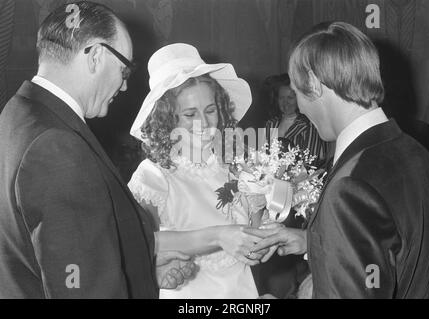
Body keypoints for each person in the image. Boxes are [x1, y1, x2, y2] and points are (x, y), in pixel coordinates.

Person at [0, 1, 195, 298]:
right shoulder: (58, 147)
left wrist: (137, 268)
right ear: (96, 56)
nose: (125, 87)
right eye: (125, 70)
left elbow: (46, 256)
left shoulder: (15, 116)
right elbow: (79, 286)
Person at [247, 21, 429, 298]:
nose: (300, 107)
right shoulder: (417, 153)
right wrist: (314, 241)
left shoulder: (350, 187)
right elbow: (394, 250)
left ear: (314, 83)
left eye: (296, 91)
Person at [128, 43, 269, 299]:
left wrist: (261, 238)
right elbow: (136, 245)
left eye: (210, 110)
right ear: (167, 118)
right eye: (190, 114)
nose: (204, 124)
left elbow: (255, 236)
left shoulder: (235, 163)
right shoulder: (154, 176)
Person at [265, 73, 331, 168]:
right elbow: (262, 157)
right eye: (281, 98)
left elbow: (310, 163)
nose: (285, 103)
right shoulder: (270, 124)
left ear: (299, 99)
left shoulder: (310, 126)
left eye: (290, 98)